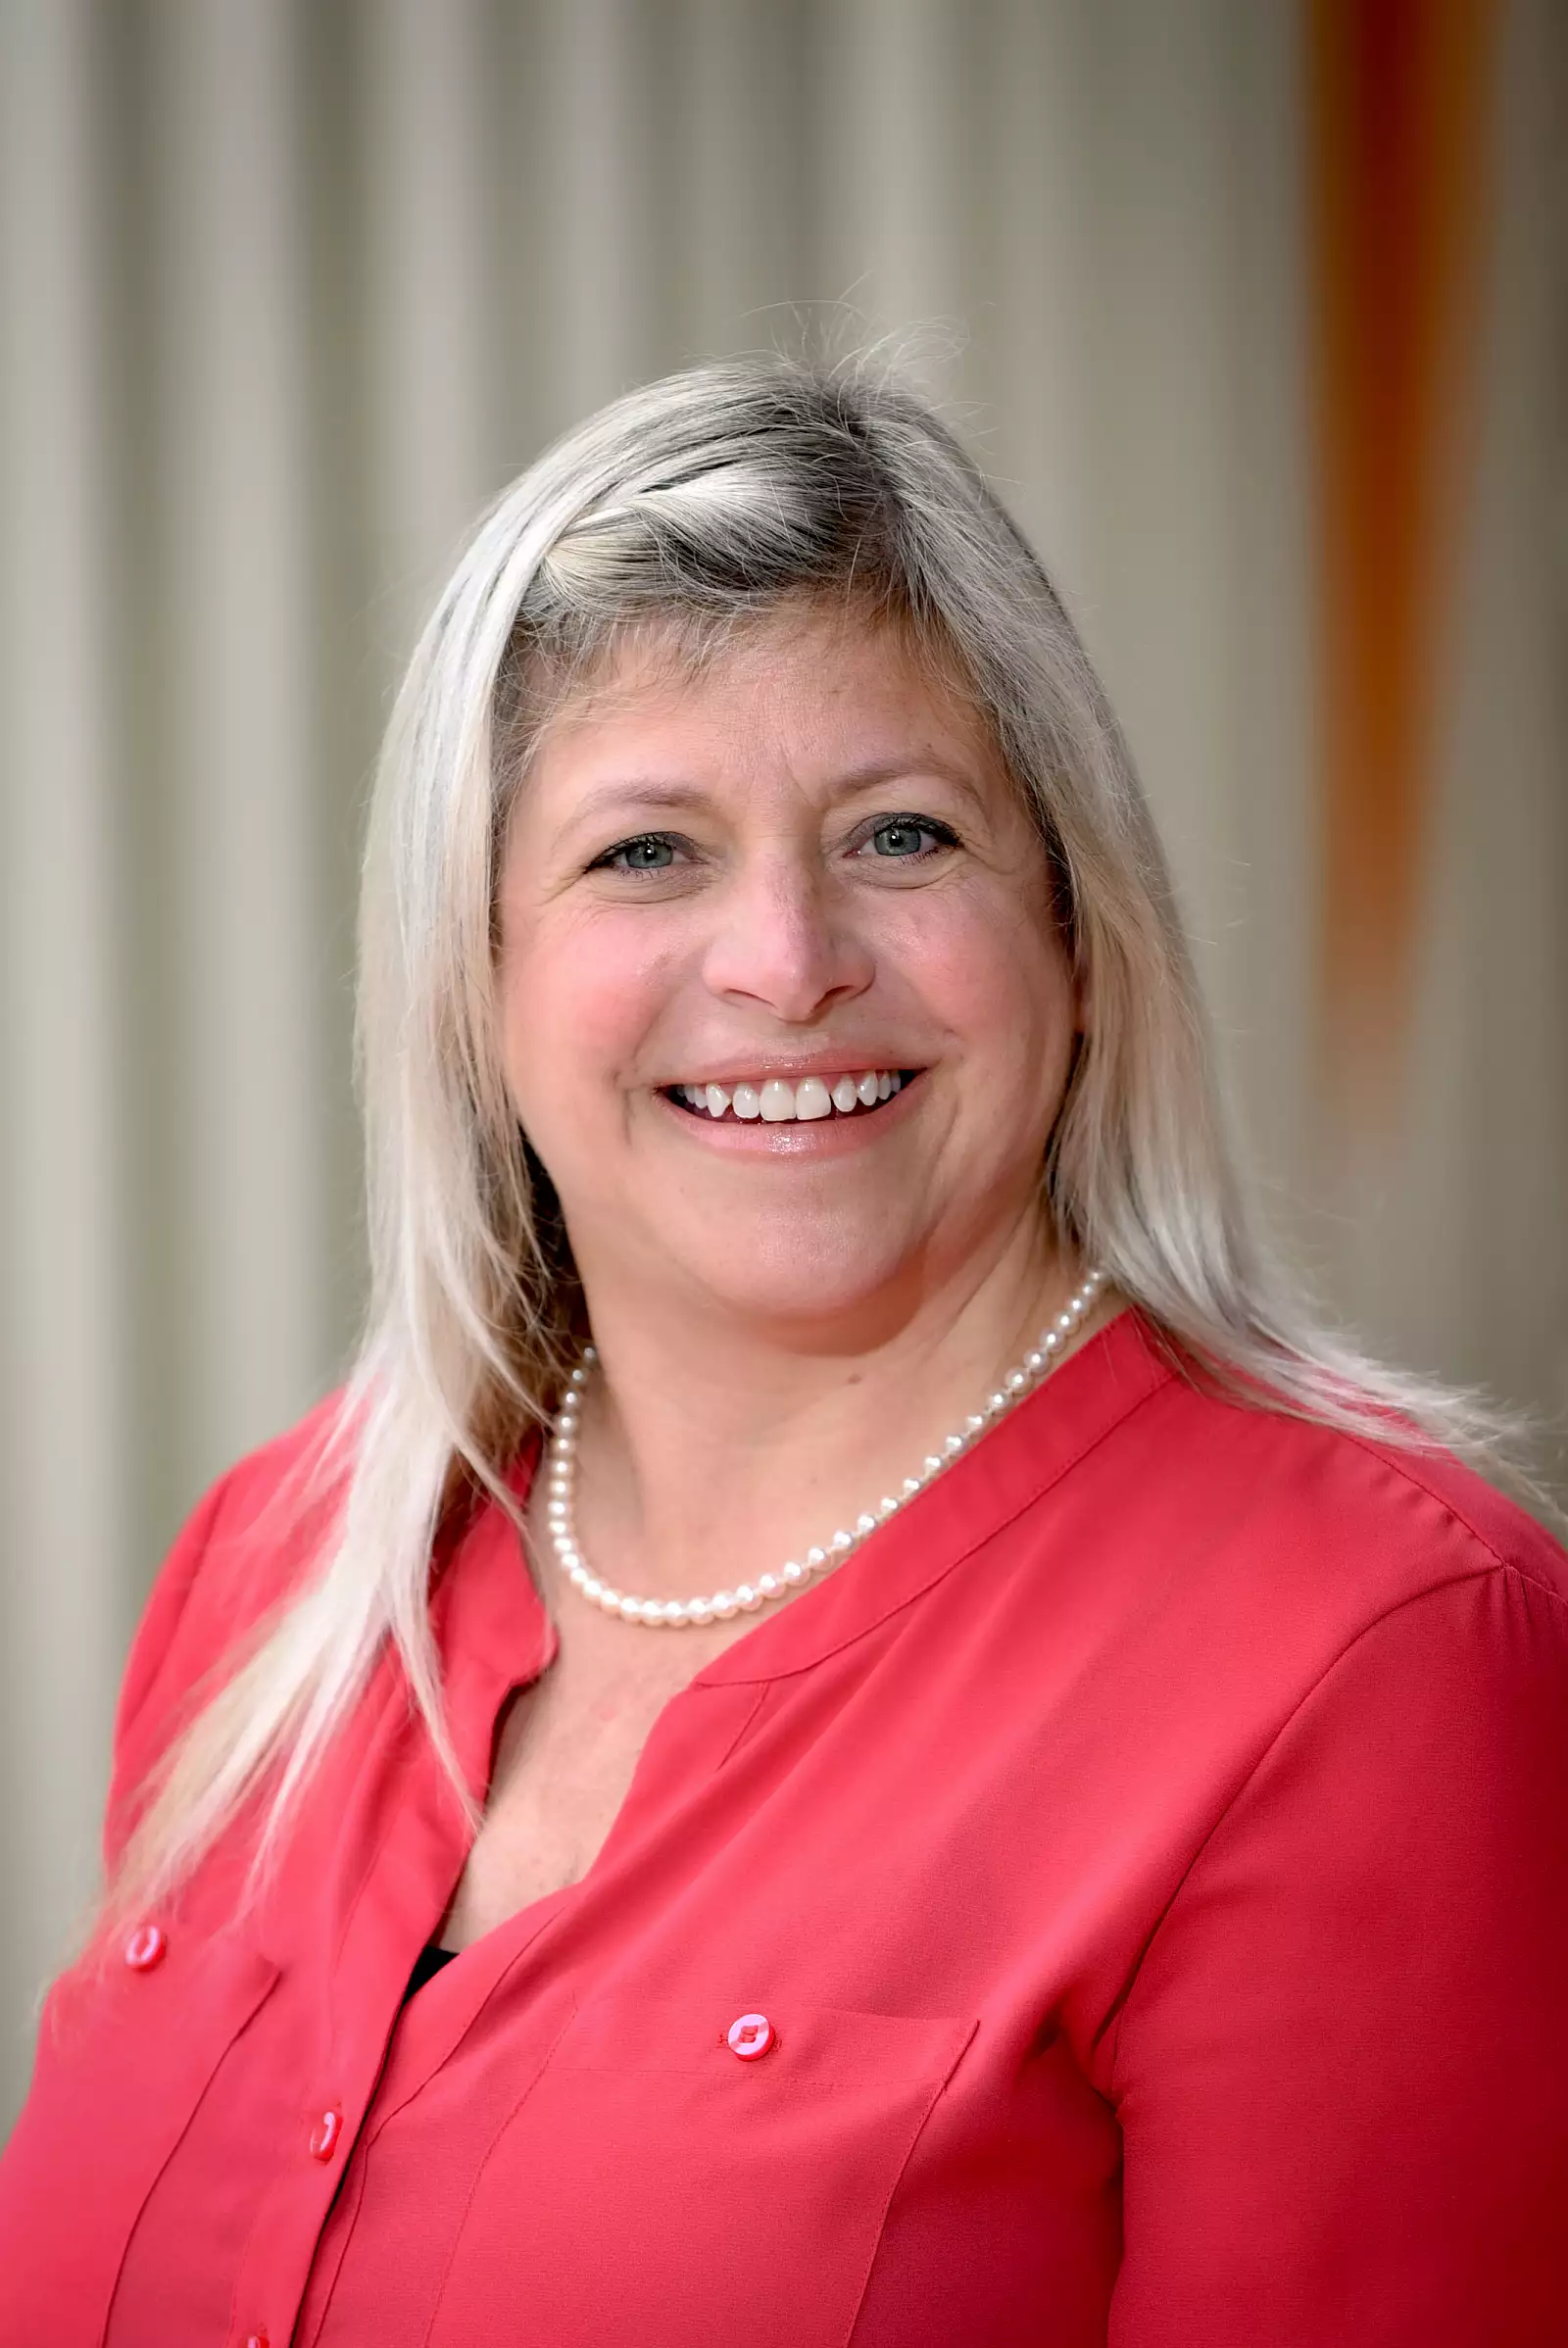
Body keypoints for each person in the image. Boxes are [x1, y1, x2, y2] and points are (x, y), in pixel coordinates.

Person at [2, 355, 1564, 2348]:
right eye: (643, 851)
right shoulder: (278, 1569)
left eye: (901, 837)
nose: (785, 958)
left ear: (1078, 944)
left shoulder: (1378, 1656)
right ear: (472, 990)